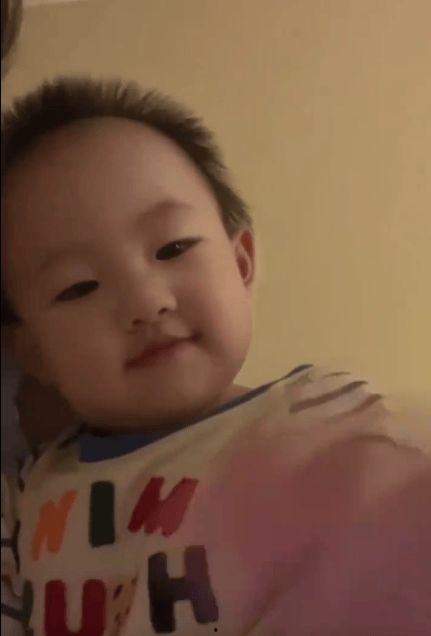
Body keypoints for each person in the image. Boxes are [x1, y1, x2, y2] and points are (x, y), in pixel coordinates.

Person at [1, 76, 430, 635]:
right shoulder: (28, 497)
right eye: (79, 287)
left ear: (242, 263)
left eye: (173, 247)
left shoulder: (328, 419)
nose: (146, 302)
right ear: (34, 353)